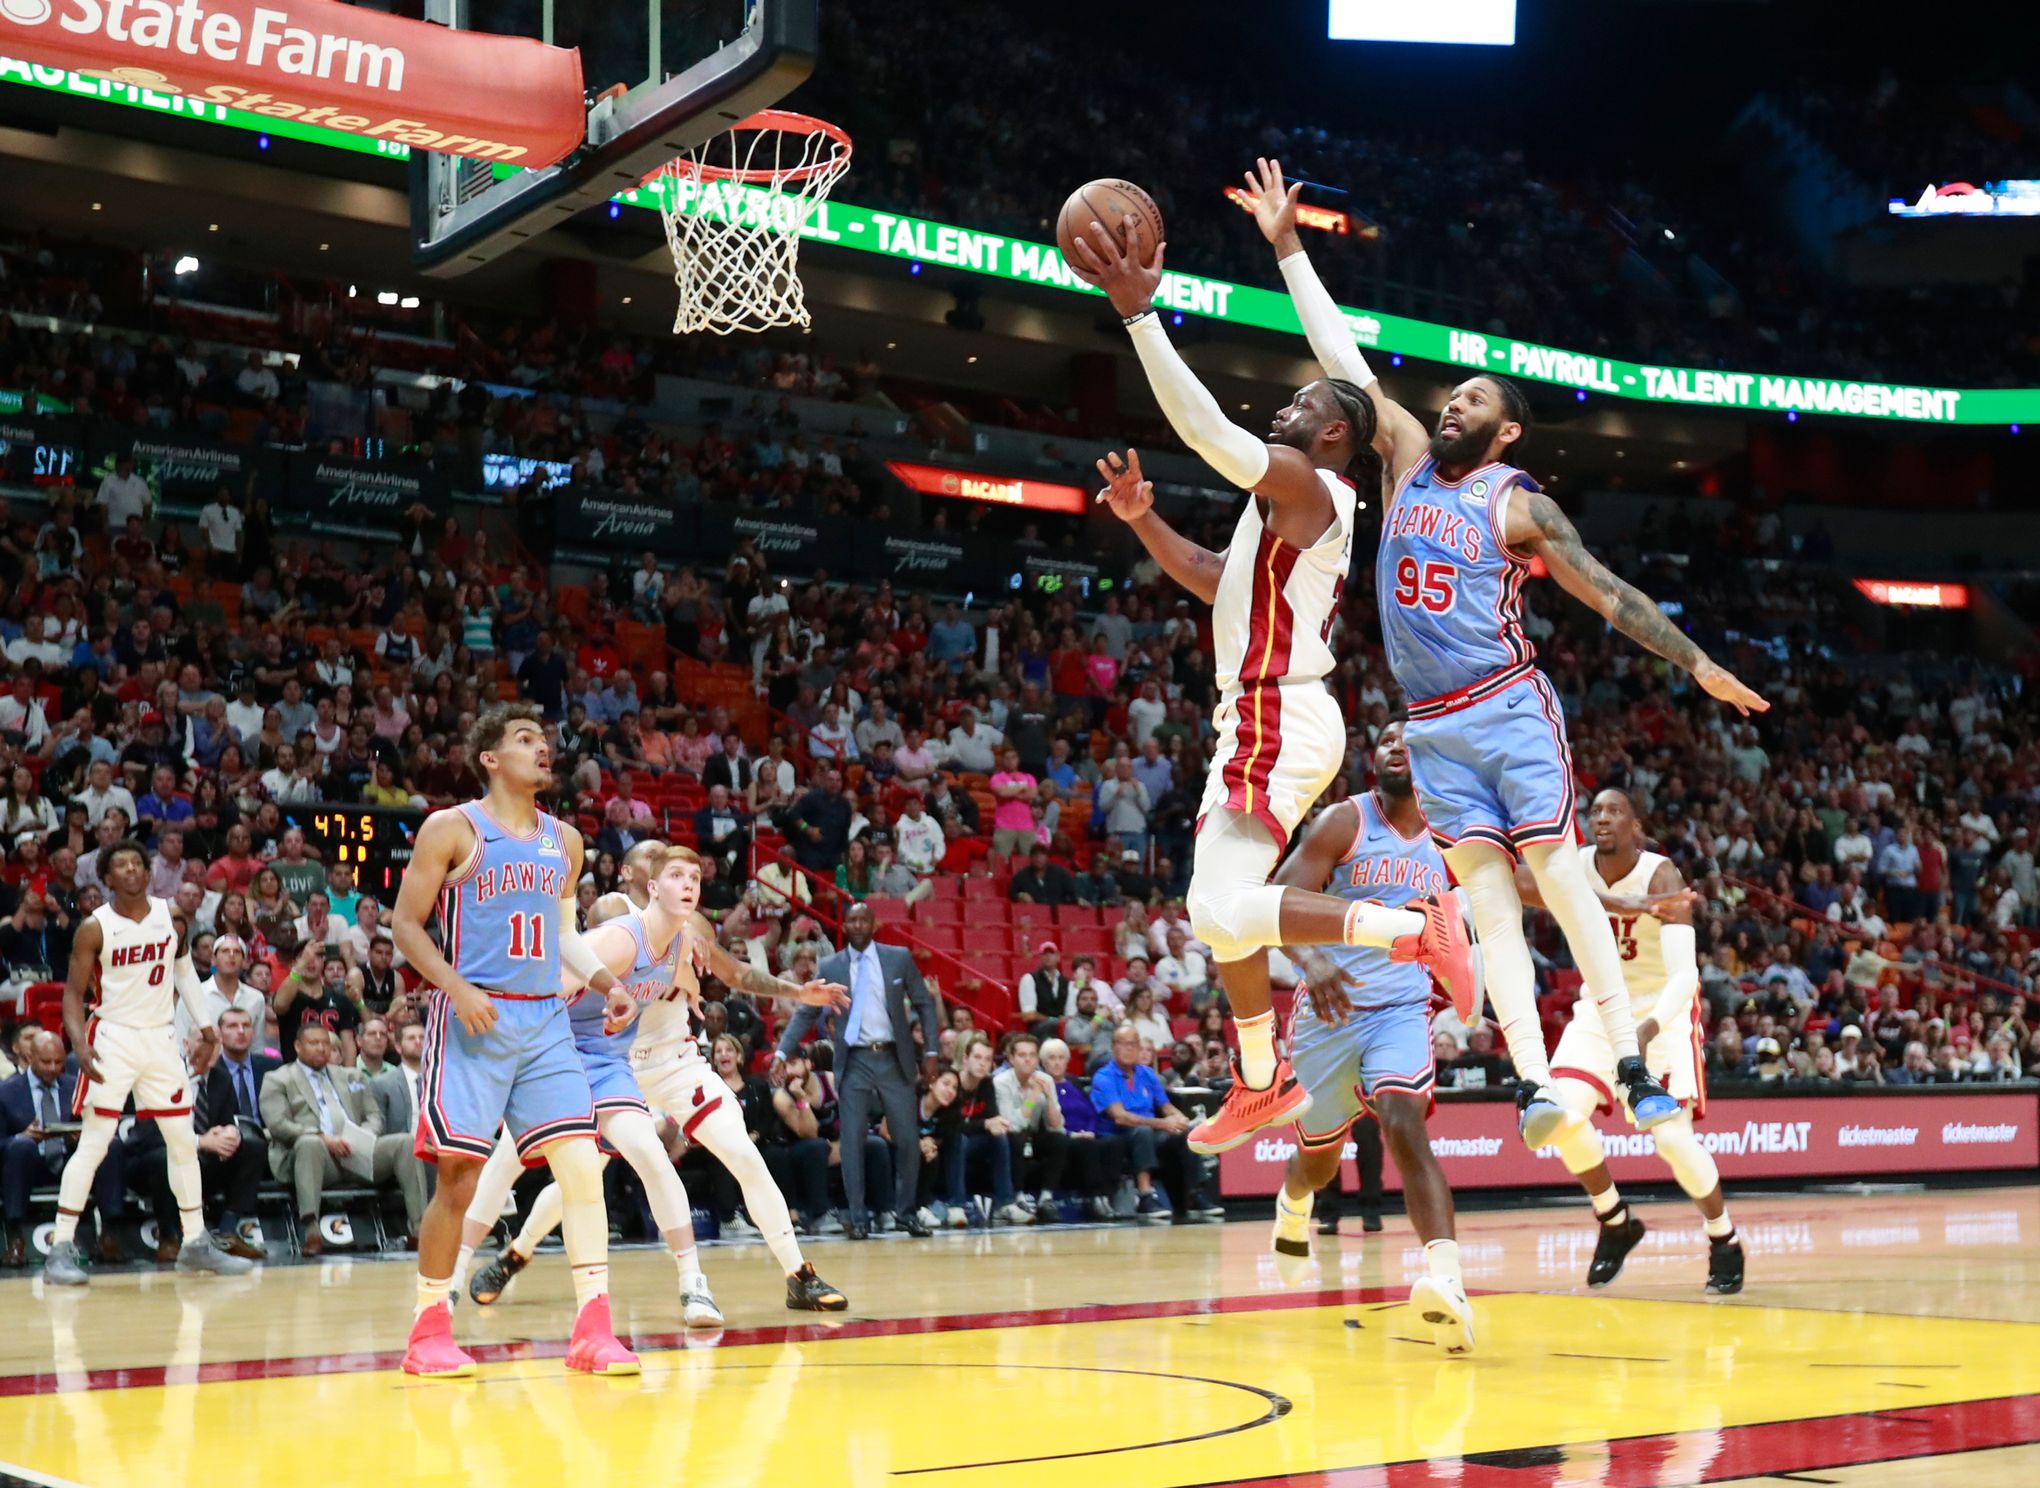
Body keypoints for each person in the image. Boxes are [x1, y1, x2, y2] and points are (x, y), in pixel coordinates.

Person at [1236, 157, 1760, 1148]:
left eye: (1471, 402)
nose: (1450, 408)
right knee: (1485, 902)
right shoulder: (1401, 460)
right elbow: (1340, 356)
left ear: (1506, 429)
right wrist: (1289, 246)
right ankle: (1530, 1080)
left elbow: (1609, 593)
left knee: (1559, 883)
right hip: (1431, 727)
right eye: (1449, 398)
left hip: (1507, 706)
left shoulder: (1518, 502)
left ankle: (1634, 1068)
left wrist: (1695, 663)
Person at [1080, 215, 1471, 1160]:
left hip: (1279, 709)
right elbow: (1219, 579)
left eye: (1297, 407)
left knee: (1218, 911)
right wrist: (1143, 522)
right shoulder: (1286, 512)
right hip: (1260, 712)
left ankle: (1410, 930)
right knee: (1215, 915)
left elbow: (1208, 430)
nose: (1279, 413)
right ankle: (1261, 1080)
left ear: (1331, 434)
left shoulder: (1315, 488)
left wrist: (1141, 318)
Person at [466, 843, 851, 1313]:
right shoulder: (614, 915)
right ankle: (515, 1253)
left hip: (674, 1061)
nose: (676, 871)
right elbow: (577, 959)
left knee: (742, 1154)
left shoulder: (689, 927)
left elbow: (735, 974)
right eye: (657, 859)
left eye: (690, 873)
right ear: (639, 874)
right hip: (613, 1062)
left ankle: (797, 1274)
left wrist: (795, 991)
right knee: (579, 1176)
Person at [390, 704, 636, 1378]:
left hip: (545, 1023)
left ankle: (594, 1328)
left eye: (546, 739)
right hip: (476, 1017)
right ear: (491, 759)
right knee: (461, 1179)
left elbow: (562, 937)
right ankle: (428, 1328)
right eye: (525, 739)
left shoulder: (566, 840)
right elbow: (406, 926)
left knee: (583, 1168)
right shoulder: (452, 828)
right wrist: (457, 988)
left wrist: (607, 982)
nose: (543, 748)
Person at [1267, 721, 1473, 1352]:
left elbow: (1492, 906)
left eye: (1408, 743)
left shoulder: (1454, 838)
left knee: (1405, 1124)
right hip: (1330, 1011)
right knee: (1321, 1160)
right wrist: (1312, 960)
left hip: (1401, 1010)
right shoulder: (1343, 822)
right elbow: (1275, 899)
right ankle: (1292, 1202)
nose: (1394, 749)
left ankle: (1448, 1283)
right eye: (1385, 741)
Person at [1522, 789, 1744, 1296]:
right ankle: (1615, 1218)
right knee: (1559, 1116)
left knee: (1670, 1139)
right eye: (1595, 810)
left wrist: (1645, 1031)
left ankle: (1723, 1237)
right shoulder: (1575, 866)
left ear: (1635, 826)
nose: (1602, 817)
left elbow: (1685, 976)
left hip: (1657, 1014)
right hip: (1598, 1010)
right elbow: (1520, 880)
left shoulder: (1662, 877)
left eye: (1614, 810)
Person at [48, 839, 251, 1283]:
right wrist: (79, 1044)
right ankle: (60, 1247)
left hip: (161, 1040)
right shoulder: (94, 927)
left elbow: (184, 972)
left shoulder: (169, 917)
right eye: (120, 865)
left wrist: (208, 1028)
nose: (131, 871)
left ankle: (195, 1242)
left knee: (182, 1140)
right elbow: (72, 994)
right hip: (113, 1038)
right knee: (96, 1143)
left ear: (147, 871)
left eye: (137, 863)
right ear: (107, 877)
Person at [775, 901, 942, 1239]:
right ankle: (858, 1215)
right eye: (851, 920)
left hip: (895, 1057)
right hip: (854, 1060)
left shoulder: (898, 957)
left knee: (908, 1139)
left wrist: (933, 1051)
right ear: (845, 925)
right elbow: (807, 1012)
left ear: (873, 923)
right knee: (851, 1140)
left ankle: (906, 1212)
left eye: (863, 919)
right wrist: (781, 1050)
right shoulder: (831, 965)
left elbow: (924, 1004)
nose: (857, 925)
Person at [126, 1008, 270, 1262]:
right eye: (204, 1041)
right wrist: (201, 1141)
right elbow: (148, 1137)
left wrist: (231, 1134)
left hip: (201, 1159)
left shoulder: (221, 1079)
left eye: (215, 1044)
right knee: (166, 1158)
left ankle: (227, 1231)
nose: (210, 1049)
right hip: (149, 1160)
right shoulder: (160, 1077)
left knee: (254, 1146)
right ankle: (169, 1238)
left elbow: (228, 1122)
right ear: (186, 1044)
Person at [258, 1023, 410, 1254]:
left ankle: (418, 1229)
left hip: (356, 1153)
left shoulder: (351, 1076)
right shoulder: (277, 1079)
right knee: (310, 1144)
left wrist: (364, 1136)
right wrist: (323, 1138)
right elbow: (278, 1125)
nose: (321, 1048)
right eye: (314, 1043)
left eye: (325, 1043)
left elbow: (374, 1116)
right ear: (298, 1046)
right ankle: (311, 1231)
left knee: (405, 1142)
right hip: (316, 1157)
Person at [3, 1031, 127, 1268]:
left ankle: (110, 1235)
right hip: (29, 1165)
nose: (52, 1068)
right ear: (30, 1057)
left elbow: (101, 1126)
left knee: (110, 1146)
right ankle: (15, 1238)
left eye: (58, 1062)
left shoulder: (77, 1087)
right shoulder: (6, 1091)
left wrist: (84, 1136)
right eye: (46, 1062)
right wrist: (22, 1137)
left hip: (72, 1161)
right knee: (20, 1147)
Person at [1088, 1022, 1205, 1222]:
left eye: (1133, 1044)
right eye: (1123, 1044)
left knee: (1187, 1136)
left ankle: (1194, 1194)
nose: (1128, 1048)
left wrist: (1180, 1119)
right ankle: (1145, 1196)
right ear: (1114, 1046)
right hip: (1117, 1135)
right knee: (1143, 1132)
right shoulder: (1104, 1077)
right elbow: (1120, 1117)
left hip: (1150, 1130)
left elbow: (1166, 1107)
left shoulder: (1147, 1074)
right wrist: (1163, 1123)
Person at [992, 1032, 1070, 1215]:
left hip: (1034, 1134)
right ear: (1011, 1059)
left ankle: (1046, 1197)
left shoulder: (1046, 1079)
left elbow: (1057, 1125)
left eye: (1032, 1055)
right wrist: (1034, 1096)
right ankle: (1018, 1196)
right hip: (1010, 1136)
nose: (1028, 1060)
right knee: (1017, 1138)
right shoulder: (1001, 1082)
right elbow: (1012, 1125)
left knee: (1059, 1140)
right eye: (1022, 1055)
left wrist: (1050, 1097)